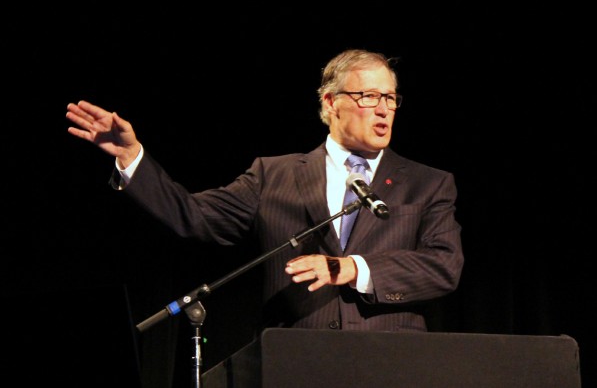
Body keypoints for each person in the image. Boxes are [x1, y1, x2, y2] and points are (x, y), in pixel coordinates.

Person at [66, 48, 464, 332]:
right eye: (369, 96)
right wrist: (133, 158)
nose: (383, 109)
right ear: (331, 102)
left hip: (391, 366)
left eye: (390, 98)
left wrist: (352, 267)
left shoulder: (427, 183)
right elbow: (192, 216)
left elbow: (444, 266)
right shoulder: (273, 174)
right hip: (296, 362)